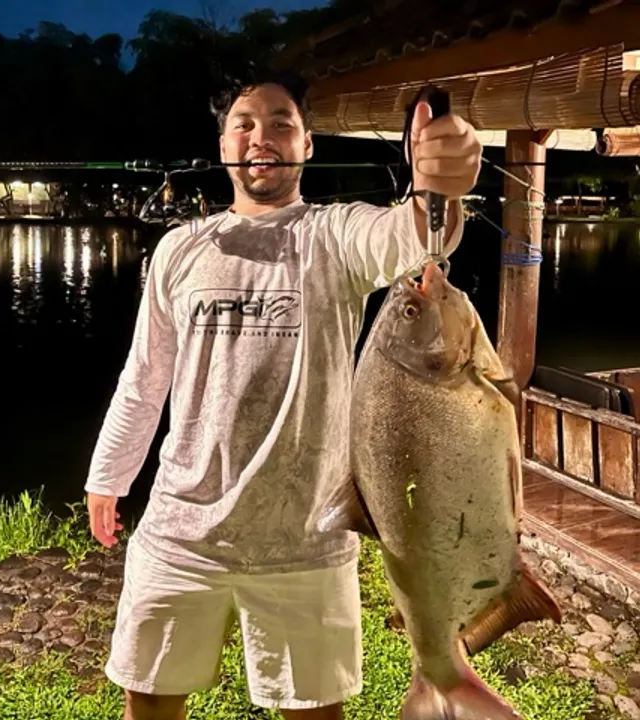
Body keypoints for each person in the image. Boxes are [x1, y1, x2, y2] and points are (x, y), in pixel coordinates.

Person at [84, 70, 483, 720]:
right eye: (243, 124)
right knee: (149, 702)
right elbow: (145, 375)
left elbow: (415, 238)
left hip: (308, 540)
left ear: (307, 144)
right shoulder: (179, 249)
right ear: (223, 145)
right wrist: (109, 475)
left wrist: (436, 188)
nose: (260, 135)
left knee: (314, 713)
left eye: (280, 123)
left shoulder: (335, 236)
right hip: (181, 534)